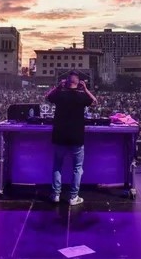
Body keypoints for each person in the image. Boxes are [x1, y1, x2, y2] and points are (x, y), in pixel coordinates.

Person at [45, 71, 97, 206]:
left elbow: (47, 97)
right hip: (76, 136)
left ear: (66, 81)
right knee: (77, 168)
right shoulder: (81, 95)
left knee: (57, 165)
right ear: (78, 82)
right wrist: (85, 89)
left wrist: (58, 87)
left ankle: (56, 194)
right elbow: (95, 101)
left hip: (60, 135)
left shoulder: (60, 94)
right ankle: (73, 197)